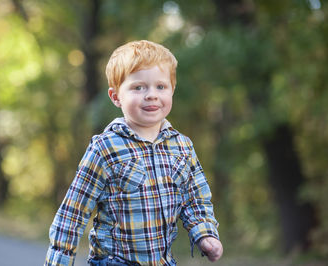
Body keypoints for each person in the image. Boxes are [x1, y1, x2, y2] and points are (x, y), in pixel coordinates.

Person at [44, 40, 223, 266]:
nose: (151, 95)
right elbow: (73, 214)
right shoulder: (105, 148)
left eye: (161, 86)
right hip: (114, 262)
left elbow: (195, 198)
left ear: (172, 90)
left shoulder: (182, 147)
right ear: (116, 96)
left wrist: (205, 234)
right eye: (138, 87)